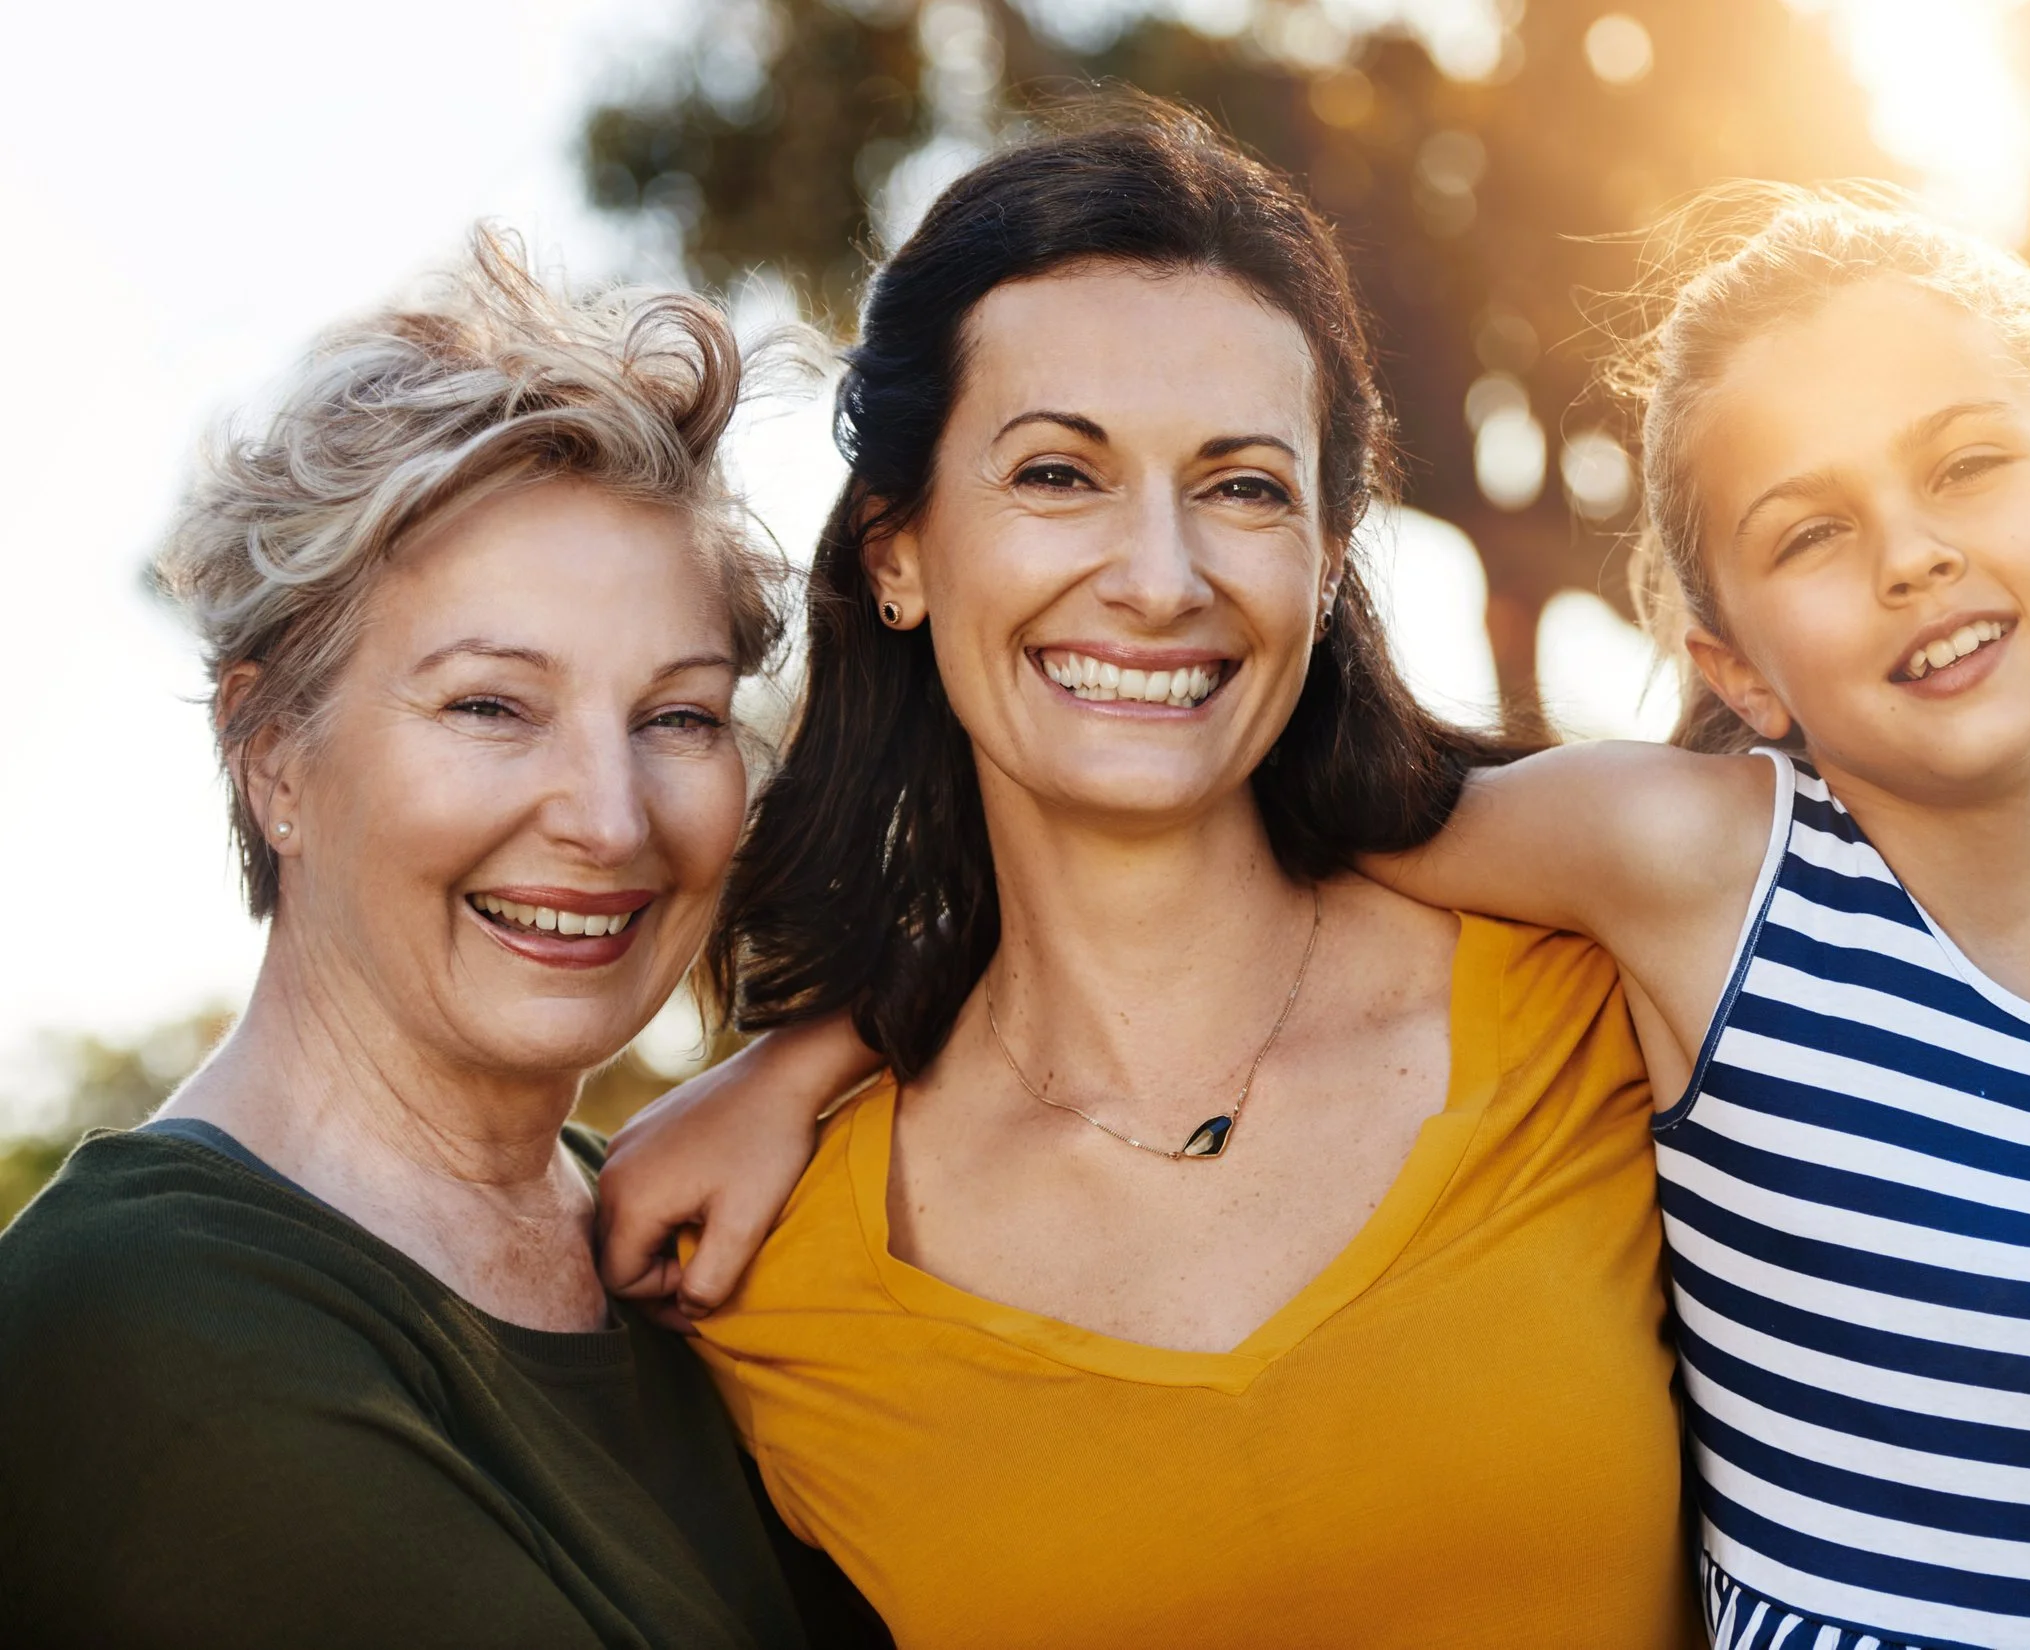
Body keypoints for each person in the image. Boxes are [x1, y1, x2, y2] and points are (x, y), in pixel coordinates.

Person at [605, 181, 2030, 1646]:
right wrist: (823, 1050)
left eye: (1972, 462)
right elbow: (1251, 798)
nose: (1917, 551)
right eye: (1812, 529)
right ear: (1729, 662)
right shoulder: (1692, 878)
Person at [602, 107, 1708, 1648]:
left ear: (1328, 561)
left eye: (1244, 487)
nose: (1159, 576)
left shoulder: (1607, 1014)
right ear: (900, 552)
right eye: (1058, 473)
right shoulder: (772, 1281)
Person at [0, 236, 883, 1649]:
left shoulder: (674, 1240)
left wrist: (827, 1051)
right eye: (490, 706)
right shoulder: (147, 1323)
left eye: (679, 715)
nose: (608, 818)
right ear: (272, 753)